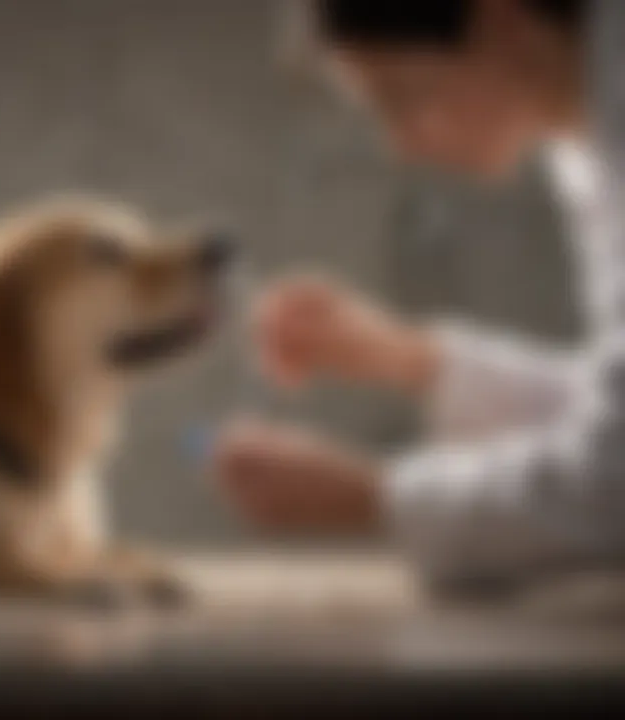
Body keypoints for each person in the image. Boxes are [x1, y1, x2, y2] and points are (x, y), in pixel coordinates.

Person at [211, 0, 625, 591]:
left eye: (403, 99)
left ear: (499, 20)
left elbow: (615, 482)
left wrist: (376, 499)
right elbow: (611, 420)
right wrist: (410, 359)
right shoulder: (582, 135)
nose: (400, 145)